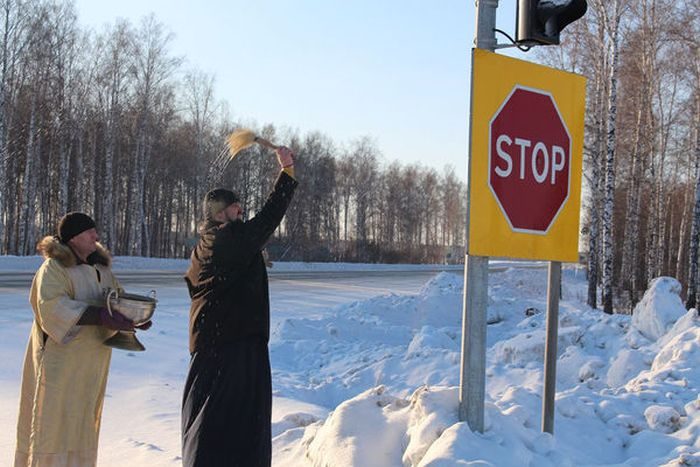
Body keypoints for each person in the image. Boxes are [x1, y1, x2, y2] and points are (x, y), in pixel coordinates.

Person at [182, 146, 298, 466]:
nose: (240, 212)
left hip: (211, 346)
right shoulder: (229, 239)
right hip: (235, 346)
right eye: (235, 208)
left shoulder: (203, 246)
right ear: (221, 214)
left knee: (207, 423)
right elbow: (269, 218)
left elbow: (195, 285)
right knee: (235, 427)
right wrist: (286, 172)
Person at [14, 212, 150, 467]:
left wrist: (134, 316)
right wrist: (99, 316)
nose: (96, 236)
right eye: (90, 232)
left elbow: (117, 299)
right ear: (74, 237)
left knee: (82, 427)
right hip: (60, 367)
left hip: (91, 366)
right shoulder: (54, 268)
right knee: (52, 427)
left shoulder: (101, 269)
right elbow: (51, 308)